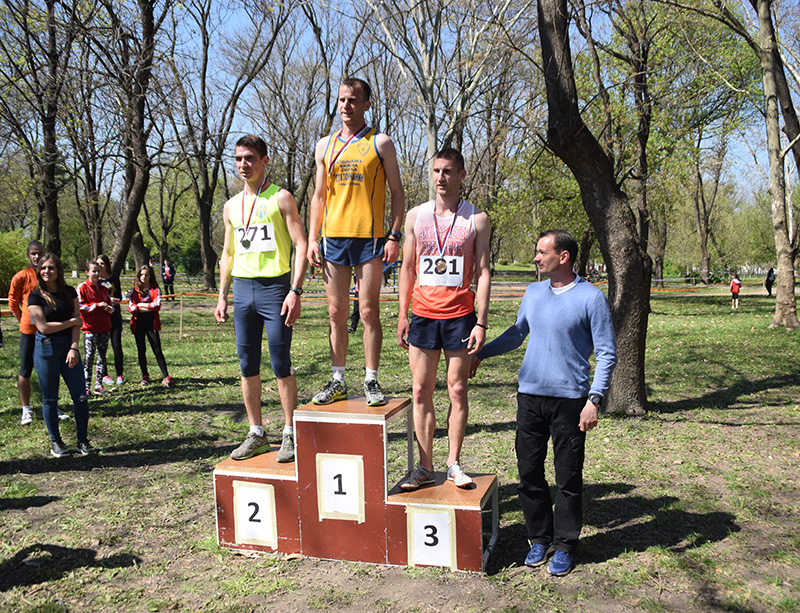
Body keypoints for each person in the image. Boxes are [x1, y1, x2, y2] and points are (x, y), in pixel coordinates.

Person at [470, 229, 617, 577]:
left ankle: (565, 545)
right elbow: (517, 333)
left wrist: (594, 398)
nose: (536, 258)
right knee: (528, 473)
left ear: (563, 257)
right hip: (530, 399)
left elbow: (608, 353)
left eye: (541, 252)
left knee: (568, 477)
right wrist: (481, 353)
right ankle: (539, 538)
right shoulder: (534, 292)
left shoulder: (591, 298)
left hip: (570, 402)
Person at [307, 77, 404, 407]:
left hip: (370, 239)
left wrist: (394, 235)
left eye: (353, 100)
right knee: (336, 312)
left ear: (366, 104)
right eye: (341, 100)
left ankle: (371, 378)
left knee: (367, 310)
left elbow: (397, 193)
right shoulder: (325, 145)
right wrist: (312, 238)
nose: (346, 106)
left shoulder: (381, 143)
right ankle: (337, 379)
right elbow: (319, 196)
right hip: (333, 238)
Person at [397, 148, 491, 490]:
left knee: (457, 388)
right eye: (436, 170)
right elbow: (408, 268)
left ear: (461, 175)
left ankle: (452, 463)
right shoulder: (415, 217)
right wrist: (402, 314)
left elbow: (482, 272)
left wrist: (481, 321)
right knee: (421, 390)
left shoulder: (475, 219)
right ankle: (424, 467)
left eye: (448, 171)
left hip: (460, 317)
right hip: (422, 314)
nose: (441, 177)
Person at [215, 134, 308, 463]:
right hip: (242, 290)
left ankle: (289, 431)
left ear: (265, 160)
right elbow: (228, 253)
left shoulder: (280, 198)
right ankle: (256, 431)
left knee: (280, 362)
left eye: (250, 158)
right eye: (239, 158)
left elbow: (301, 245)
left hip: (275, 289)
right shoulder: (230, 206)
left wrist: (295, 290)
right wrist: (222, 296)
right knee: (246, 364)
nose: (243, 164)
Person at [27, 253, 93, 457]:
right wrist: (71, 322)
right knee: (50, 399)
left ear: (58, 270)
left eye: (51, 268)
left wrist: (74, 347)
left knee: (81, 396)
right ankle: (56, 442)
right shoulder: (35, 295)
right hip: (46, 350)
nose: (47, 271)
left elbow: (77, 322)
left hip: (68, 348)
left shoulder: (70, 292)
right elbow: (44, 327)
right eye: (44, 268)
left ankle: (82, 440)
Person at [9, 241, 68, 425]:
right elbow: (13, 302)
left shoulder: (49, 276)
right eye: (33, 253)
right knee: (25, 370)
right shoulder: (21, 277)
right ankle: (26, 409)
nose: (36, 256)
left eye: (39, 253)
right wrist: (23, 321)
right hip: (29, 331)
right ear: (28, 255)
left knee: (50, 370)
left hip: (49, 331)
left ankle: (52, 406)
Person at [128, 265, 172, 387]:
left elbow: (157, 305)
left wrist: (141, 305)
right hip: (138, 324)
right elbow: (132, 308)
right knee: (141, 350)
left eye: (146, 274)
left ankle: (165, 376)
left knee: (157, 349)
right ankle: (145, 376)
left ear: (150, 276)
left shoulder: (155, 289)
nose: (144, 277)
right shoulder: (134, 291)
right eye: (141, 274)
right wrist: (146, 307)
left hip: (152, 323)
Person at [78, 260, 114, 395]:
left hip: (104, 327)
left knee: (102, 357)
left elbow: (111, 308)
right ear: (87, 272)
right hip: (90, 328)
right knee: (89, 358)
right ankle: (86, 387)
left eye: (98, 271)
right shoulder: (82, 287)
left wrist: (109, 308)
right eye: (94, 271)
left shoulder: (104, 289)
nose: (97, 273)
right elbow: (80, 306)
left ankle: (98, 385)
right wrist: (97, 305)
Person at [96, 254, 125, 385]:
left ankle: (119, 374)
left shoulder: (114, 278)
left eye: (102, 263)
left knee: (116, 345)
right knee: (102, 347)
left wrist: (116, 300)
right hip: (101, 318)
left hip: (114, 316)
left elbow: (119, 296)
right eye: (98, 264)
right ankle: (104, 374)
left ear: (107, 265)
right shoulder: (95, 280)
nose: (100, 266)